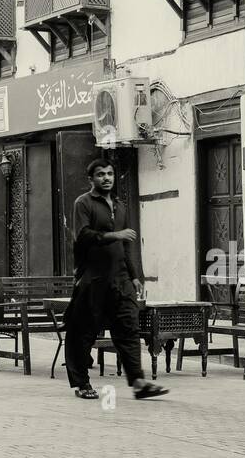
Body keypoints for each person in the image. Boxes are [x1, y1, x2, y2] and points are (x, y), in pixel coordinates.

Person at [63, 158, 168, 401]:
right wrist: (114, 234)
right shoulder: (83, 203)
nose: (106, 178)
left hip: (121, 280)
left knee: (129, 330)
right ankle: (81, 383)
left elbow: (127, 245)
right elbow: (83, 236)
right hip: (93, 279)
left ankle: (139, 383)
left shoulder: (120, 207)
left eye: (110, 173)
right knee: (83, 333)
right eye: (100, 174)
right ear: (91, 179)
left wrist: (134, 276)